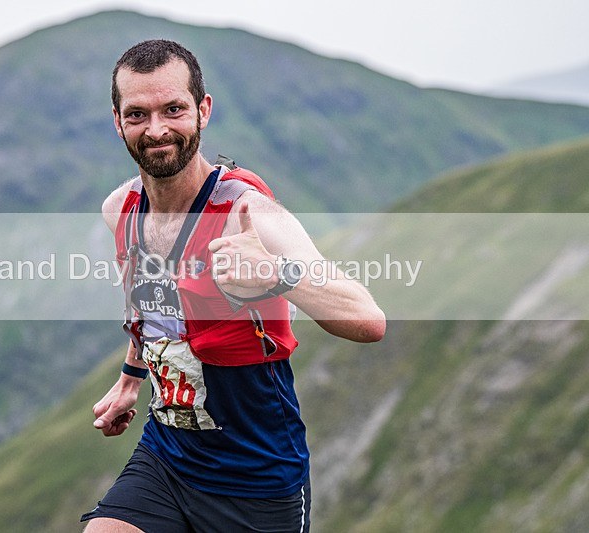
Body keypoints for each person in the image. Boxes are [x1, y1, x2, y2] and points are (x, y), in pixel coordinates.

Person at [81, 39, 385, 532]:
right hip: (168, 453)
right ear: (117, 121)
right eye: (137, 114)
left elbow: (369, 321)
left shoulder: (247, 213)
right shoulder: (121, 210)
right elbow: (148, 308)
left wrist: (277, 275)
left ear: (203, 110)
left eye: (173, 109)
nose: (156, 130)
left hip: (257, 475)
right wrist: (130, 378)